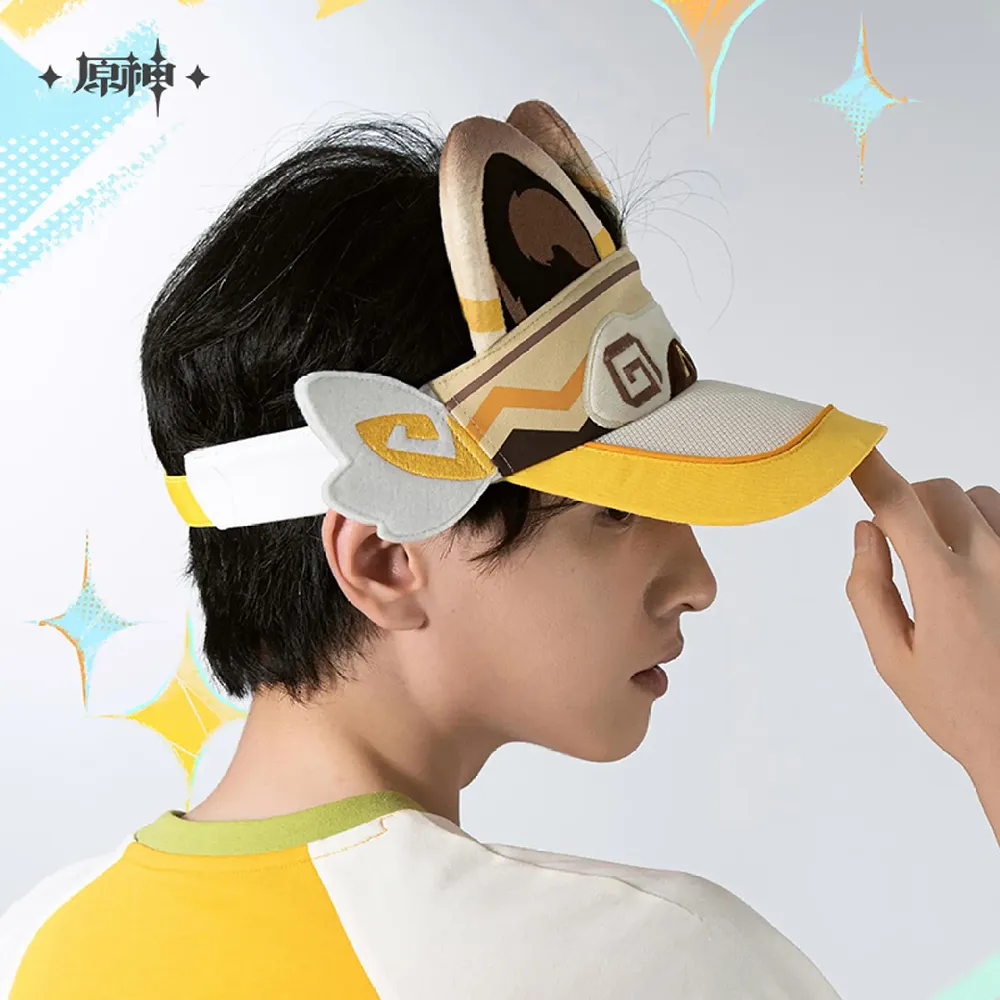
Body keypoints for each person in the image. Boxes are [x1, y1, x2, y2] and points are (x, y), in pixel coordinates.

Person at [0, 100, 997, 999]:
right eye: (615, 512)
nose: (697, 581)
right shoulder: (656, 963)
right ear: (385, 559)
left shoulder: (37, 946)